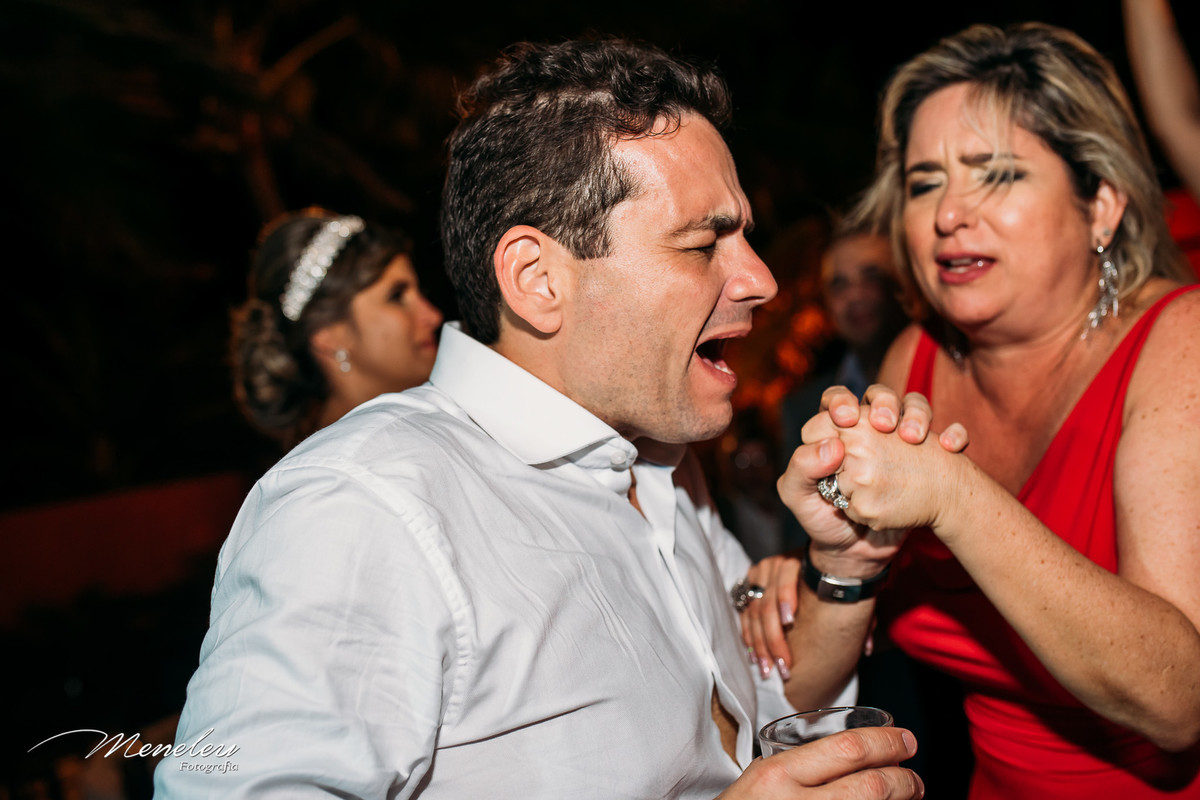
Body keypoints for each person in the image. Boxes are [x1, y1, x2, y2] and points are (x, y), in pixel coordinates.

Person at [154, 39, 925, 799]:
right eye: (703, 244)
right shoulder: (367, 505)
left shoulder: (662, 459)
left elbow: (759, 700)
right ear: (537, 280)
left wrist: (847, 564)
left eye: (745, 237)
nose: (761, 279)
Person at [741, 22, 1200, 799]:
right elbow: (798, 695)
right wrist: (836, 566)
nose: (950, 213)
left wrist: (955, 496)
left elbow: (1177, 701)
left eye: (997, 175)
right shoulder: (911, 361)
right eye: (925, 183)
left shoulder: (1182, 343)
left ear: (1101, 206)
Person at [230, 208, 443, 450]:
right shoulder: (344, 464)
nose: (433, 316)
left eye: (420, 292)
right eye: (396, 297)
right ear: (329, 336)